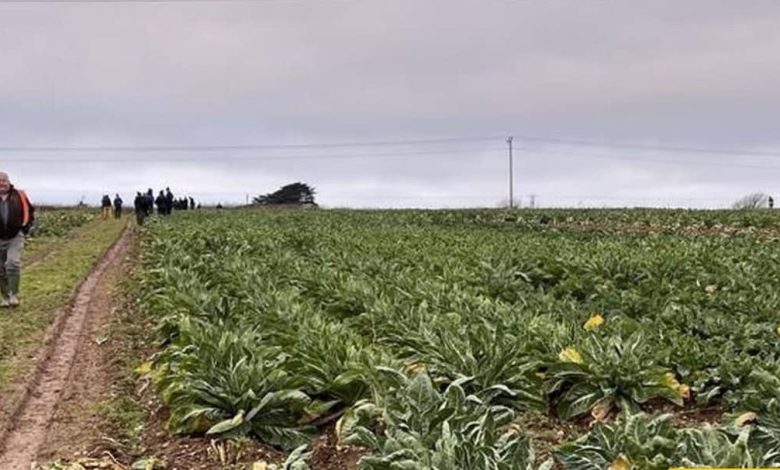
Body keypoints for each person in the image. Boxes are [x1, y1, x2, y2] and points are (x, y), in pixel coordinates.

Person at [0, 172, 35, 308]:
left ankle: (14, 294)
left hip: (15, 236)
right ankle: (5, 297)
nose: (1, 183)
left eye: (4, 180)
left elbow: (30, 212)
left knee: (13, 263)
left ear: (9, 182)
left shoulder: (19, 195)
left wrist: (25, 228)